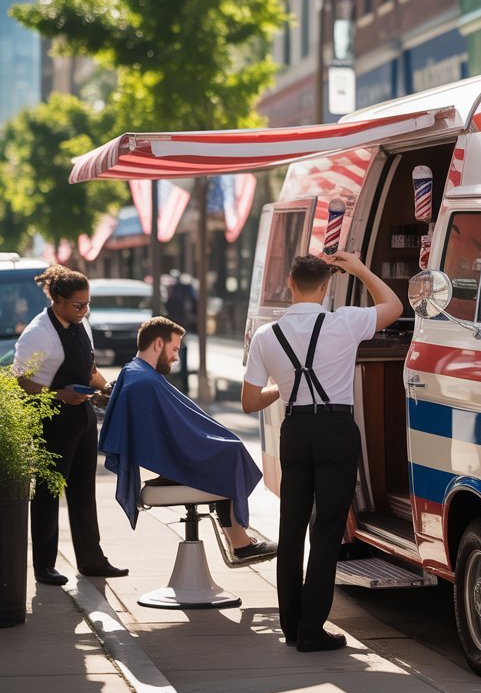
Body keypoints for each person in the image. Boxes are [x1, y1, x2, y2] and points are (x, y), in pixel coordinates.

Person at [242, 251, 402, 652]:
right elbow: (395, 306)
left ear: (291, 285)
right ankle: (313, 628)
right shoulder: (345, 322)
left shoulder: (266, 335)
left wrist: (288, 386)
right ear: (326, 286)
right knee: (327, 528)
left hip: (294, 428)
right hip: (335, 428)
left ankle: (292, 626)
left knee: (291, 528)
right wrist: (360, 268)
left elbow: (248, 402)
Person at [100, 317, 273, 561]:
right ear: (158, 344)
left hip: (170, 460)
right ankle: (240, 544)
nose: (176, 357)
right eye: (174, 349)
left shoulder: (135, 373)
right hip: (173, 461)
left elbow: (173, 430)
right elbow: (176, 434)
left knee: (227, 454)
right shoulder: (144, 381)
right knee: (229, 455)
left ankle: (239, 540)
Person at [13, 265, 127, 586]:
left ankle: (92, 560)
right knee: (49, 493)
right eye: (78, 305)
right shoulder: (38, 333)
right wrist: (58, 394)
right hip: (51, 420)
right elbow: (20, 381)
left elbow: (89, 367)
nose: (84, 310)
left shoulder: (82, 324)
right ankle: (44, 565)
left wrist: (107, 390)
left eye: (88, 304)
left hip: (83, 416)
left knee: (83, 490)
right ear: (57, 299)